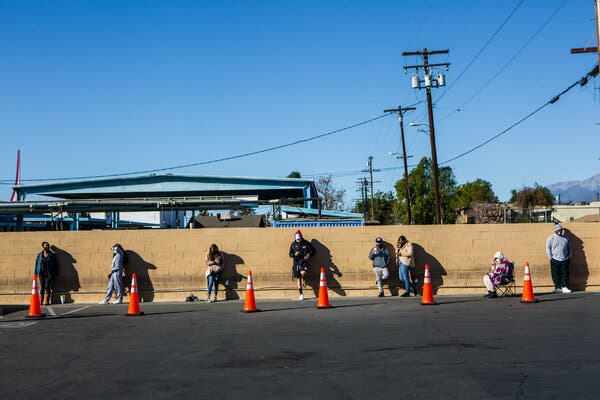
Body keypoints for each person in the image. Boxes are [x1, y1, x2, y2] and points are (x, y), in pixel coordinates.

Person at [289, 230, 316, 300]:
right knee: (298, 278)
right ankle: (301, 294)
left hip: (303, 261)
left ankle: (304, 277)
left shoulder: (306, 243)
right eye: (297, 239)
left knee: (303, 273)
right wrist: (294, 254)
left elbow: (313, 251)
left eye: (299, 238)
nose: (298, 240)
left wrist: (308, 254)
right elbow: (290, 254)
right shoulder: (293, 244)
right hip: (296, 262)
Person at [546, 223, 572, 293]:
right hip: (555, 259)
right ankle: (558, 287)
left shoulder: (566, 238)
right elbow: (548, 248)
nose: (559, 231)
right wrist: (550, 258)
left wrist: (569, 256)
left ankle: (565, 287)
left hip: (565, 259)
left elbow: (570, 248)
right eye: (558, 230)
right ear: (555, 231)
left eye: (560, 230)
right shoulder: (551, 238)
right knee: (555, 274)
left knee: (565, 274)